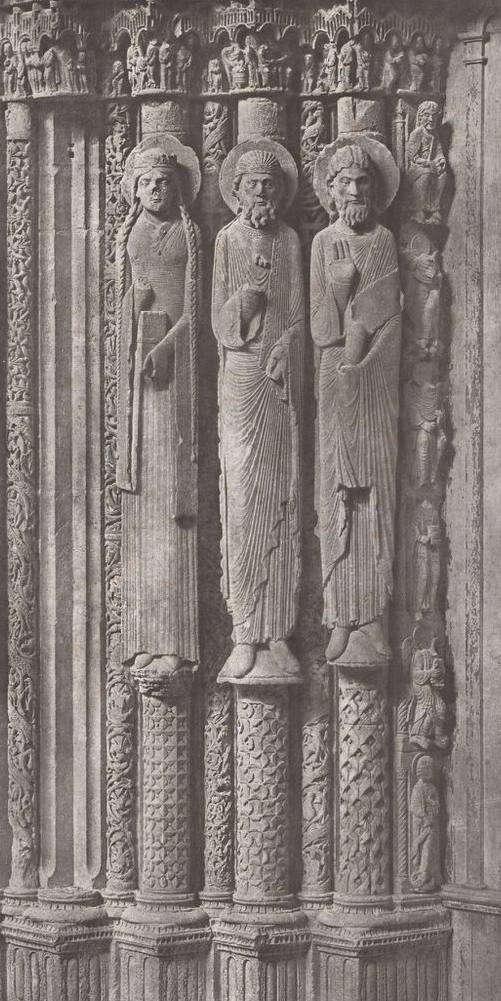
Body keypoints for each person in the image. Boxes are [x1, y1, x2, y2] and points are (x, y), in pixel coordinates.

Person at [212, 146, 304, 682]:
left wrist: (288, 344)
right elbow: (218, 322)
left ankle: (279, 632)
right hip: (241, 379)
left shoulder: (289, 241)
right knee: (244, 502)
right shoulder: (228, 241)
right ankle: (245, 631)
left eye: (270, 184)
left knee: (281, 502)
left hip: (278, 383)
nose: (263, 193)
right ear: (238, 190)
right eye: (253, 184)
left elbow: (299, 315)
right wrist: (242, 305)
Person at [311, 139, 402, 667]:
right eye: (344, 182)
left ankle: (373, 617)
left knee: (375, 494)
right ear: (330, 190)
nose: (354, 190)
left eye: (363, 181)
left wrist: (364, 359)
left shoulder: (383, 241)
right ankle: (341, 617)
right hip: (334, 377)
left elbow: (390, 315)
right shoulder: (323, 243)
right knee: (337, 494)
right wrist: (340, 293)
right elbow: (322, 329)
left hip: (376, 379)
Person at [115, 140, 202, 674]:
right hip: (140, 388)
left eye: (163, 182)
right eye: (146, 182)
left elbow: (195, 310)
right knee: (142, 511)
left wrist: (167, 346)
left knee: (172, 508)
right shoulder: (132, 235)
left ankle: (176, 643)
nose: (154, 190)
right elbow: (122, 306)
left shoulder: (188, 234)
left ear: (178, 188)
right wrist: (135, 305)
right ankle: (144, 636)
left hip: (176, 382)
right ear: (135, 189)